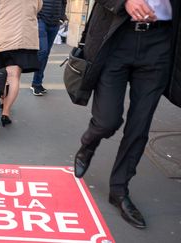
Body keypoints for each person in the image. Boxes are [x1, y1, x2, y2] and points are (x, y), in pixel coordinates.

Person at [73, 0, 180, 229]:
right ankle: (88, 144)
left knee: (139, 126)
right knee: (106, 121)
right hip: (117, 36)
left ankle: (119, 190)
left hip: (161, 42)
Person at [30, 0, 67, 96]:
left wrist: (61, 17)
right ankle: (35, 83)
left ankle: (37, 83)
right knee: (43, 51)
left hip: (55, 23)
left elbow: (63, 2)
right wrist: (36, 16)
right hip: (41, 21)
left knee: (46, 54)